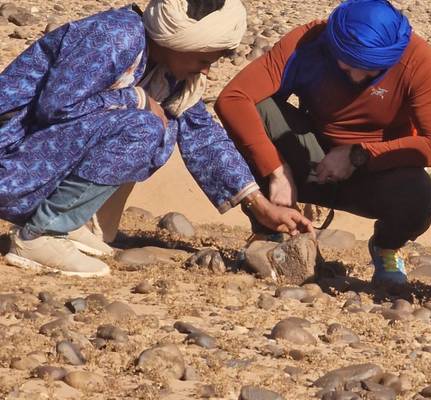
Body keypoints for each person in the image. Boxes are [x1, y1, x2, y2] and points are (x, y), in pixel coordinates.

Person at [0, 0, 312, 278]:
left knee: (162, 123)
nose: (207, 72)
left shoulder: (170, 73)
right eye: (204, 59)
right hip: (10, 159)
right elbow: (56, 105)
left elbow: (204, 139)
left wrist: (259, 206)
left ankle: (68, 222)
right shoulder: (116, 37)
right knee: (144, 126)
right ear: (176, 40)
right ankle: (43, 234)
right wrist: (135, 97)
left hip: (30, 158)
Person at [216, 0, 431, 286]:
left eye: (374, 70)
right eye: (351, 65)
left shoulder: (415, 56)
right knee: (255, 109)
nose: (360, 76)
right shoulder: (309, 41)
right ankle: (269, 229)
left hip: (376, 172)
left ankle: (386, 247)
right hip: (312, 158)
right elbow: (232, 98)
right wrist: (277, 170)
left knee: (418, 193)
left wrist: (357, 155)